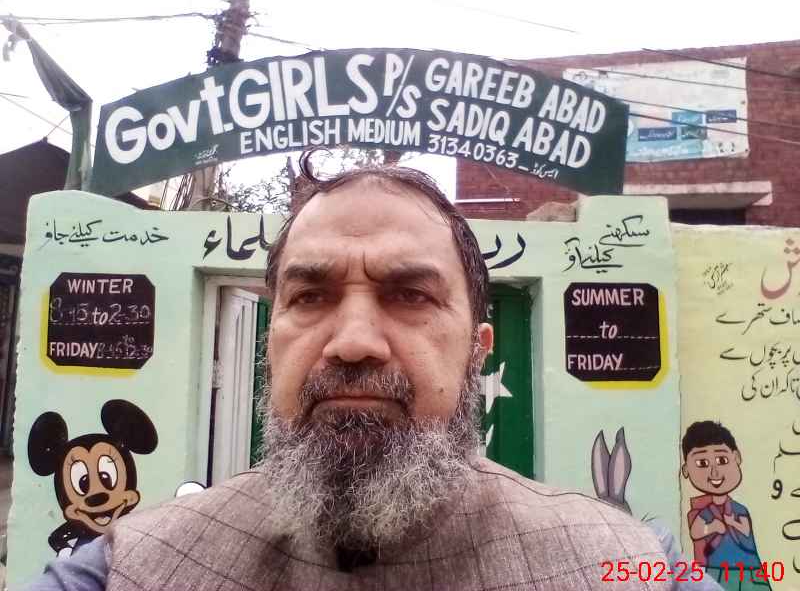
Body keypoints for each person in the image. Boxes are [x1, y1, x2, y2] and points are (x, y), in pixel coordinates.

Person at [24, 151, 671, 590]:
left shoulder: (630, 565)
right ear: (271, 344)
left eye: (410, 294)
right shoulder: (125, 569)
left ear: (478, 351)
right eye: (310, 296)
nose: (353, 342)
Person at [682, 421, 771, 591]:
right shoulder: (705, 512)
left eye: (722, 460)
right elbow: (696, 531)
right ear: (686, 469)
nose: (714, 472)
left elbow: (745, 530)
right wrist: (713, 527)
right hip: (717, 572)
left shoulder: (739, 509)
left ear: (736, 457)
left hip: (749, 571)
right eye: (702, 463)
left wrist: (732, 523)